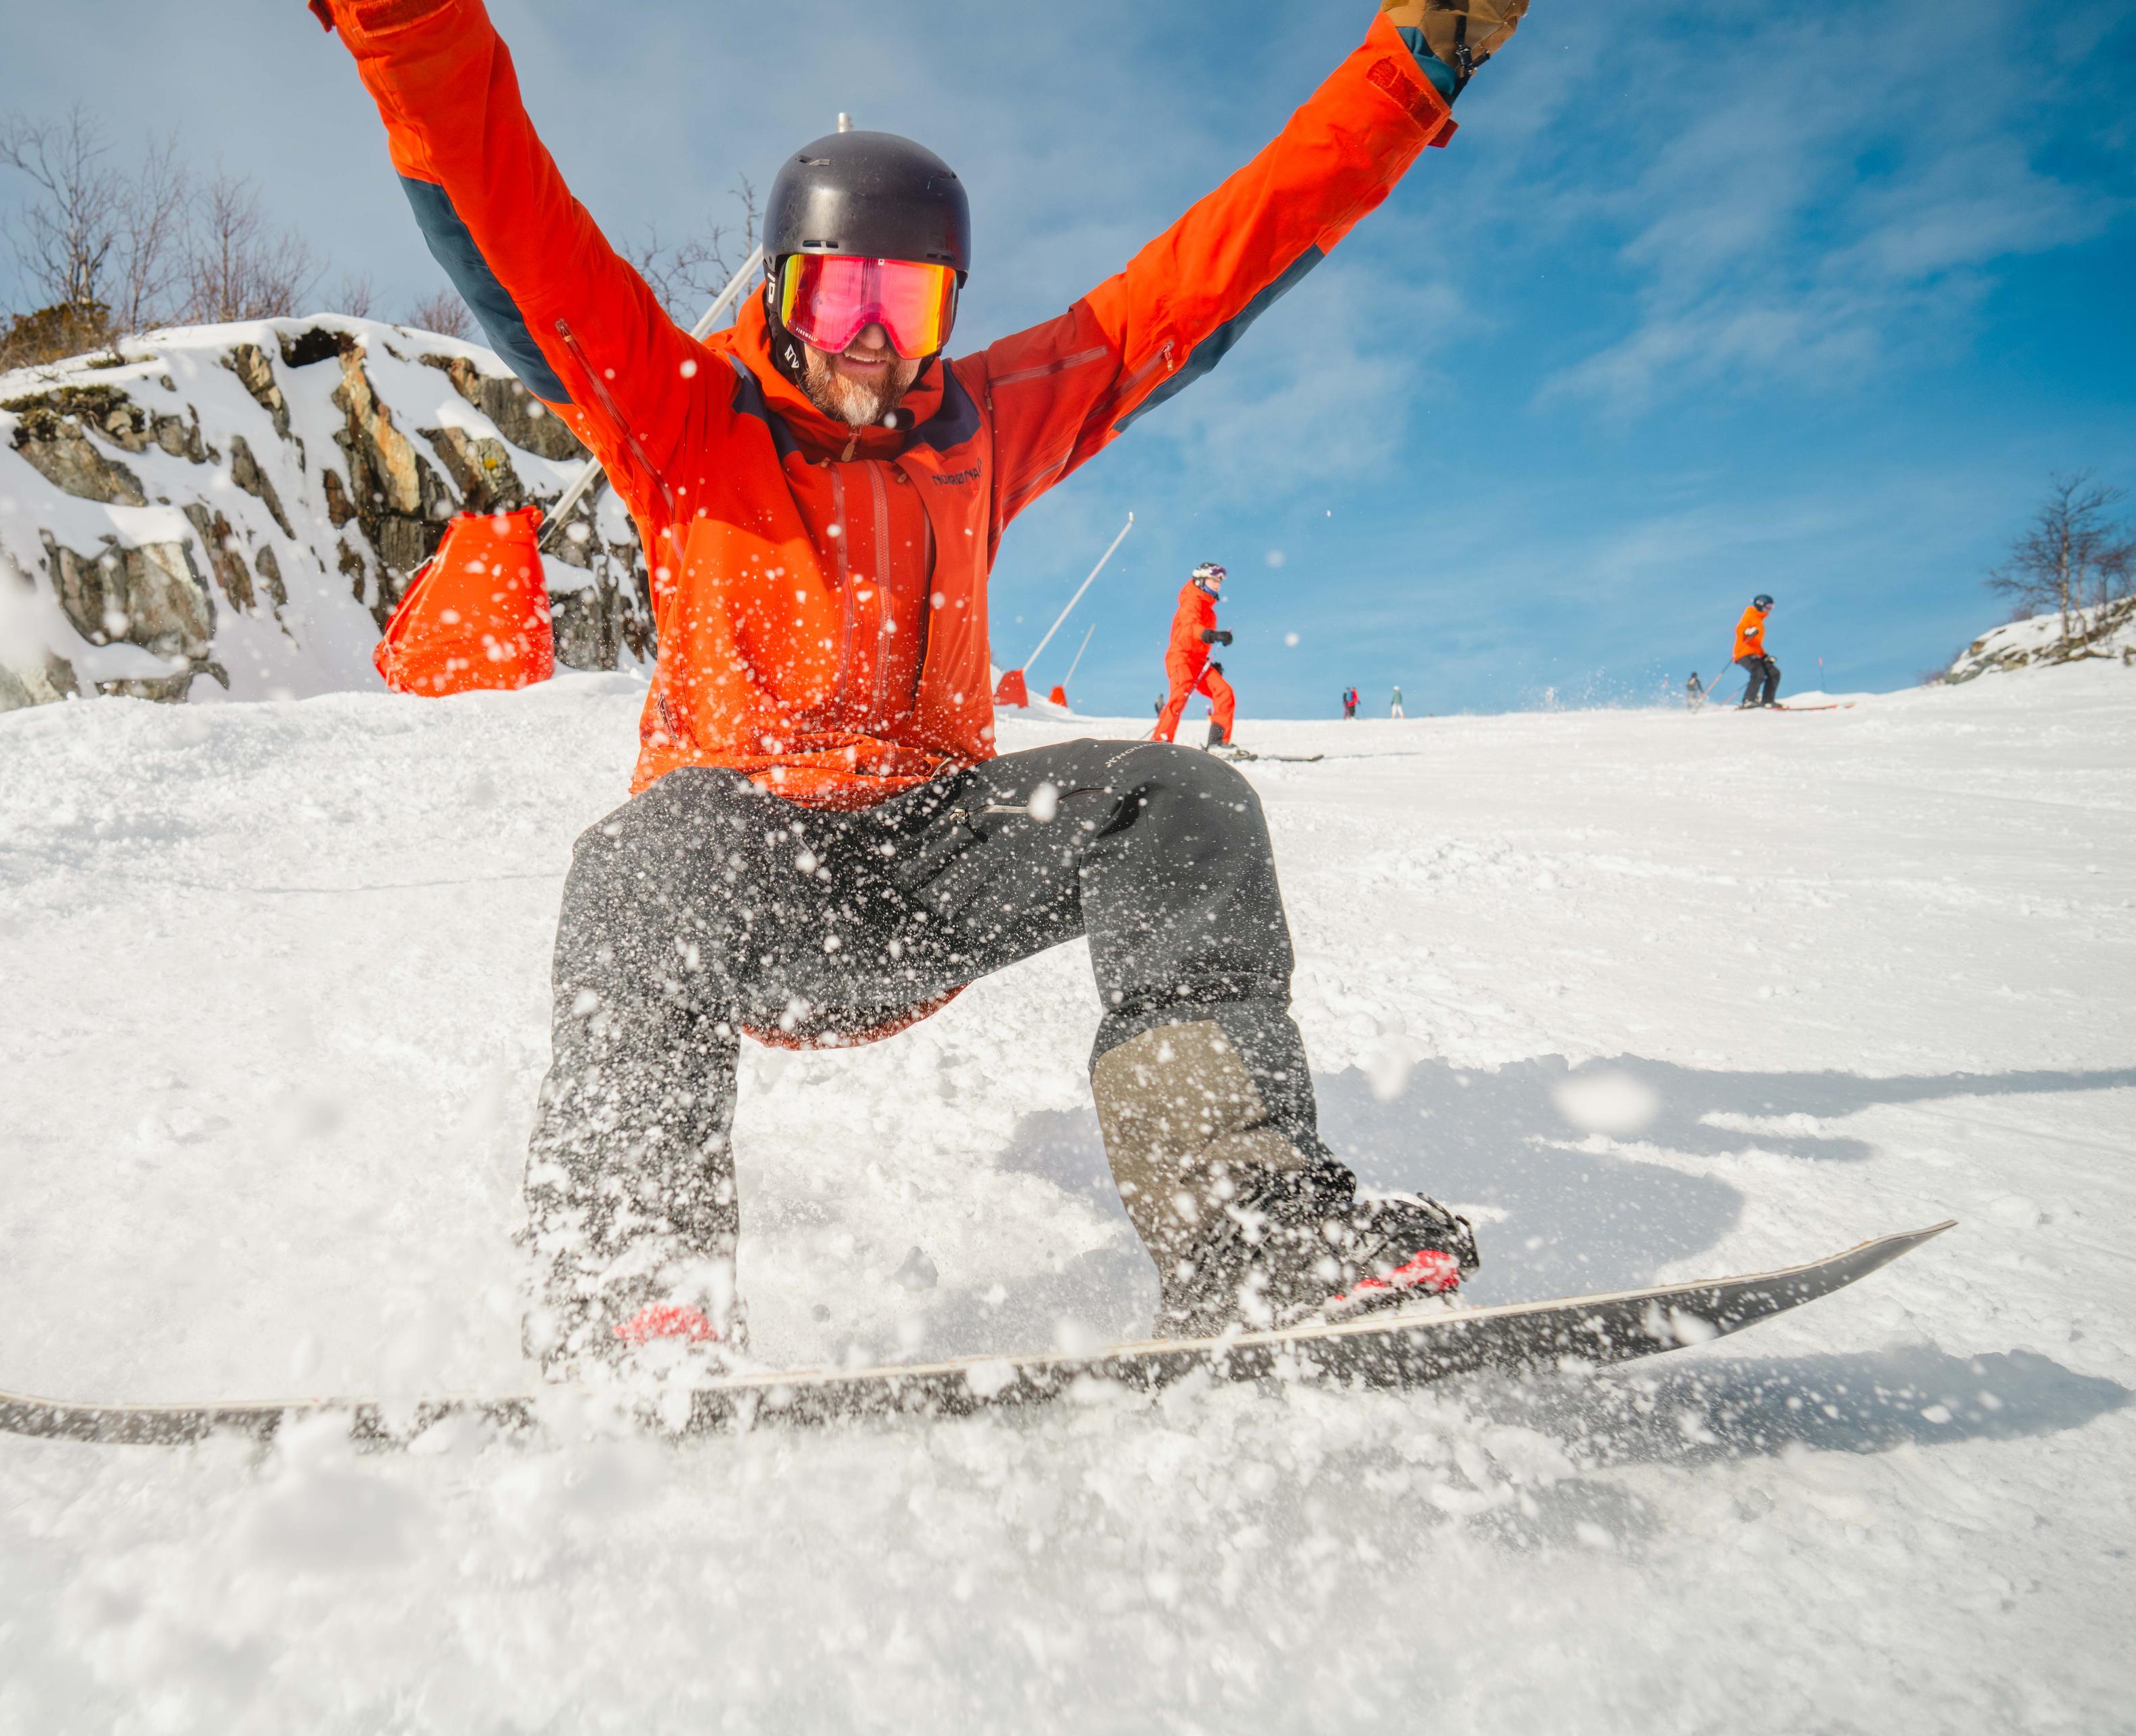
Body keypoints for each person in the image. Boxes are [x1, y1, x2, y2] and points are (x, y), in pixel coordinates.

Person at [313, 0, 1523, 1375]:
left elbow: (1206, 279)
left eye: (912, 301)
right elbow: (504, 212)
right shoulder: (681, 415)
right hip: (742, 871)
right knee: (636, 858)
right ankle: (631, 1286)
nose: (875, 338)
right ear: (780, 288)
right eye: (841, 294)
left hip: (934, 861)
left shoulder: (985, 428)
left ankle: (1249, 1229)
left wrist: (1411, 68)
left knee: (1177, 799)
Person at [1151, 561, 1239, 751]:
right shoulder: (1191, 601)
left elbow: (1199, 642)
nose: (1217, 584)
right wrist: (1213, 635)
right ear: (1200, 580)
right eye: (1213, 579)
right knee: (1180, 696)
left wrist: (1210, 663)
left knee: (1224, 692)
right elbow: (1191, 628)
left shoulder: (1210, 611)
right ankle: (1159, 743)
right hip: (1181, 658)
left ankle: (1217, 743)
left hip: (1199, 662)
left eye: (1219, 581)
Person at [1734, 595, 1781, 709]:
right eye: (1768, 607)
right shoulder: (1750, 614)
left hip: (1755, 654)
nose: (1769, 610)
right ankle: (1748, 700)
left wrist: (1765, 656)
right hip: (1743, 653)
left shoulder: (1759, 620)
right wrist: (1747, 632)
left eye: (1771, 607)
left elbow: (1757, 644)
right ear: (1760, 604)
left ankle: (1768, 701)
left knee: (1774, 673)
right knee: (1758, 673)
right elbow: (1740, 629)